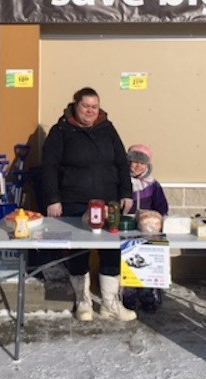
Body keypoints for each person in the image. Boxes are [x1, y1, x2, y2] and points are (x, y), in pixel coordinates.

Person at [42, 87, 136, 322]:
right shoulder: (61, 130)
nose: (91, 111)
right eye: (86, 106)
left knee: (111, 251)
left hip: (109, 201)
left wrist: (126, 192)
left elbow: (121, 163)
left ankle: (109, 303)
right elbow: (49, 166)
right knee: (79, 252)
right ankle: (83, 302)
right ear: (75, 105)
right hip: (75, 200)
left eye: (95, 106)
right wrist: (53, 199)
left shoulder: (107, 128)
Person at [122, 144, 169, 313]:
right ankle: (129, 294)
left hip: (149, 231)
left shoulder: (153, 186)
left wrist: (158, 219)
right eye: (134, 162)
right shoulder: (123, 183)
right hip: (128, 231)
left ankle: (148, 294)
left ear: (148, 166)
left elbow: (162, 208)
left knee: (149, 262)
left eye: (142, 163)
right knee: (130, 261)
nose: (138, 166)